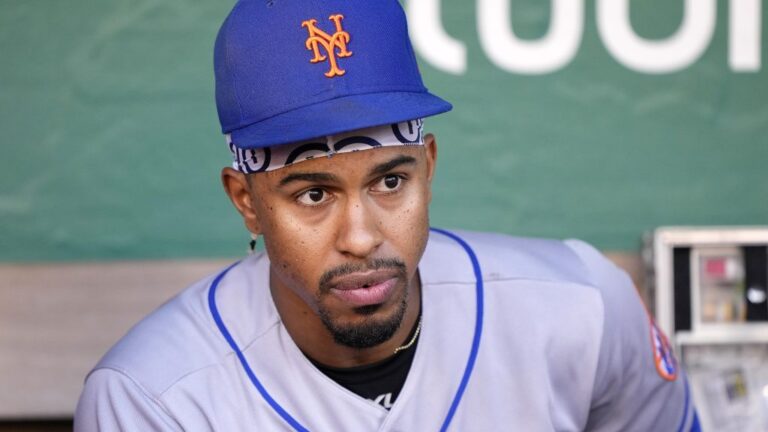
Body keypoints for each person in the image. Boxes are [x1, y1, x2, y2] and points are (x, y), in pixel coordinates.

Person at [75, 0, 700, 430]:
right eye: (312, 195)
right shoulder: (154, 398)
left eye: (391, 180)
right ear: (247, 201)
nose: (362, 236)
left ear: (428, 166)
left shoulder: (580, 308)